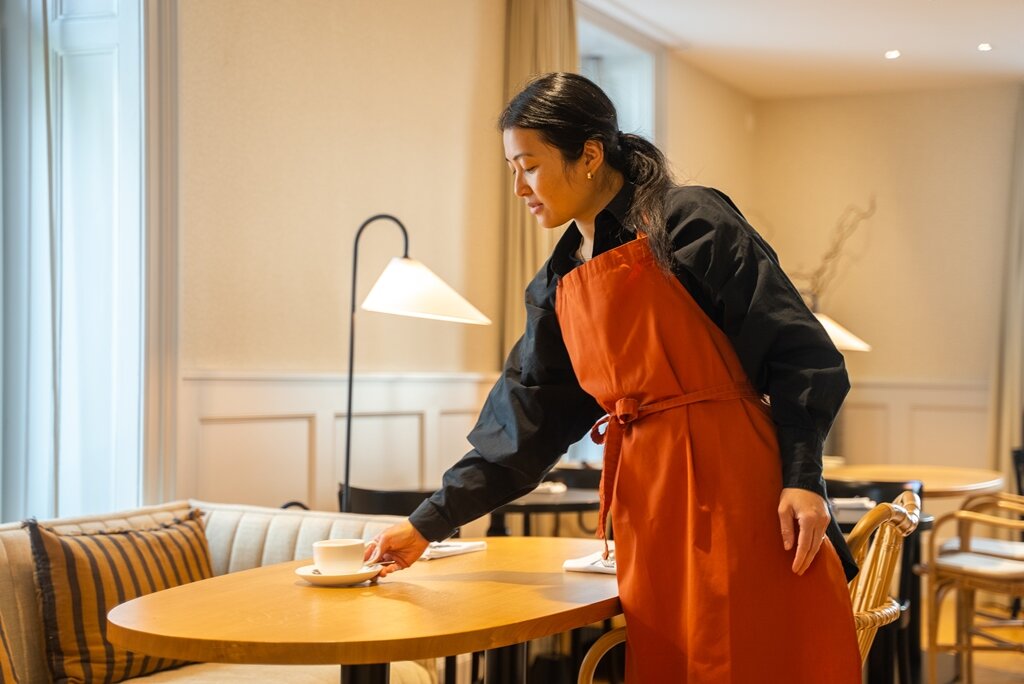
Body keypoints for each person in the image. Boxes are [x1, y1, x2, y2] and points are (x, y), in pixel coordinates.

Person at [366, 72, 862, 682]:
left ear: (590, 155)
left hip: (744, 490)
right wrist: (426, 524)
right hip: (646, 506)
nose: (519, 188)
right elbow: (525, 428)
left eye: (529, 166)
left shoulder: (691, 219)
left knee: (754, 657)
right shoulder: (557, 283)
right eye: (511, 169)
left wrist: (803, 479)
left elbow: (802, 353)